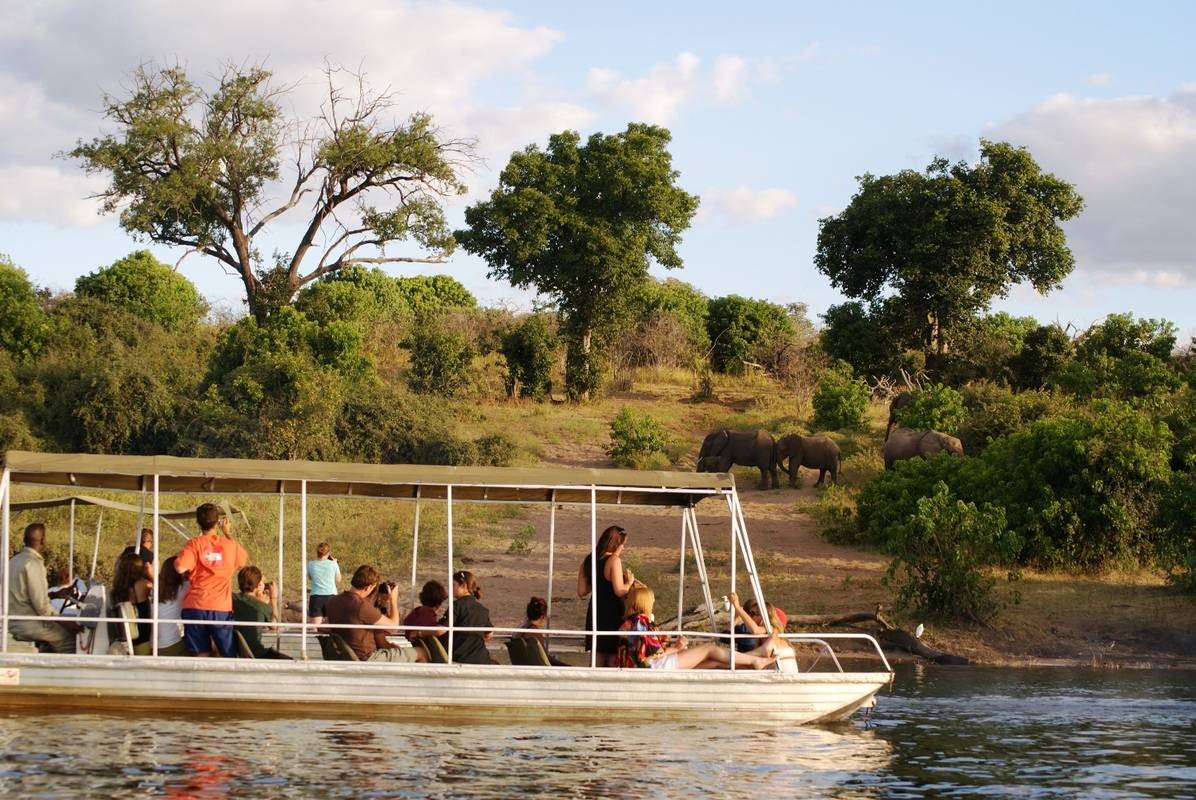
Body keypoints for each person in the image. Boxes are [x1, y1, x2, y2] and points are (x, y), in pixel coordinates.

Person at [619, 584, 776, 670]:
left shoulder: (630, 622)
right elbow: (653, 653)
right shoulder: (640, 622)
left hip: (652, 665)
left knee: (713, 663)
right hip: (656, 666)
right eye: (651, 599)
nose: (653, 602)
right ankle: (755, 660)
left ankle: (750, 664)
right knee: (709, 649)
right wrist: (677, 648)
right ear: (644, 602)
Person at [174, 503, 249, 658]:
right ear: (218, 522)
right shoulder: (229, 545)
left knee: (201, 652)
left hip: (196, 605)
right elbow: (242, 561)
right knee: (227, 653)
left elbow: (180, 568)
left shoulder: (194, 544)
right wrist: (227, 533)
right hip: (220, 607)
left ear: (198, 522)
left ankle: (202, 681)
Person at [325, 565, 426, 663]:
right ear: (368, 587)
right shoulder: (362, 607)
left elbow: (324, 626)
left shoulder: (332, 601)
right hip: (367, 658)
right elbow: (394, 627)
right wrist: (393, 600)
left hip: (344, 656)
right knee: (421, 652)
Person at [7, 523, 80, 653]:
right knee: (70, 639)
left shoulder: (13, 561)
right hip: (28, 624)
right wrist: (66, 621)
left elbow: (24, 595)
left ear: (24, 540)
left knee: (57, 634)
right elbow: (42, 606)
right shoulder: (33, 564)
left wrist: (55, 595)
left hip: (13, 622)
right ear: (43, 540)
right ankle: (65, 672)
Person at [576, 525, 635, 666]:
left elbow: (582, 591)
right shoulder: (614, 560)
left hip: (595, 611)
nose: (623, 548)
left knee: (597, 653)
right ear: (616, 544)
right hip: (612, 612)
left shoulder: (589, 560)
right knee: (613, 654)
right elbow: (619, 591)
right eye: (622, 545)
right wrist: (630, 582)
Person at [232, 566, 291, 660]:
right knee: (290, 661)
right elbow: (275, 625)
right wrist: (273, 598)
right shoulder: (261, 606)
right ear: (257, 584)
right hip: (256, 653)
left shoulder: (232, 598)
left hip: (238, 651)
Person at [438, 571, 493, 665]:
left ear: (463, 585)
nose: (451, 588)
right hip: (481, 658)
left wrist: (421, 632)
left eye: (453, 585)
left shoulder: (456, 606)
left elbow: (441, 630)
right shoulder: (482, 609)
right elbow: (489, 634)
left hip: (460, 657)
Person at [110, 552, 153, 652]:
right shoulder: (143, 584)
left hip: (129, 634)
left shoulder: (118, 588)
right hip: (144, 635)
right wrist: (151, 575)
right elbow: (162, 591)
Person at [514, 595, 568, 667]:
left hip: (521, 665)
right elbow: (545, 658)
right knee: (556, 658)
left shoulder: (520, 628)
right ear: (542, 616)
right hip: (535, 668)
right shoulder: (535, 633)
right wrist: (568, 666)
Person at [156, 556, 190, 656]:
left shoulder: (155, 590)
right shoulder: (183, 588)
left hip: (155, 645)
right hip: (172, 645)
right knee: (204, 649)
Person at [306, 542, 341, 625]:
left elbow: (310, 578)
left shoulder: (310, 564)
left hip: (316, 597)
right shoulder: (333, 564)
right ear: (329, 553)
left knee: (315, 628)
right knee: (332, 627)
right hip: (331, 596)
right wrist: (335, 563)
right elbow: (338, 579)